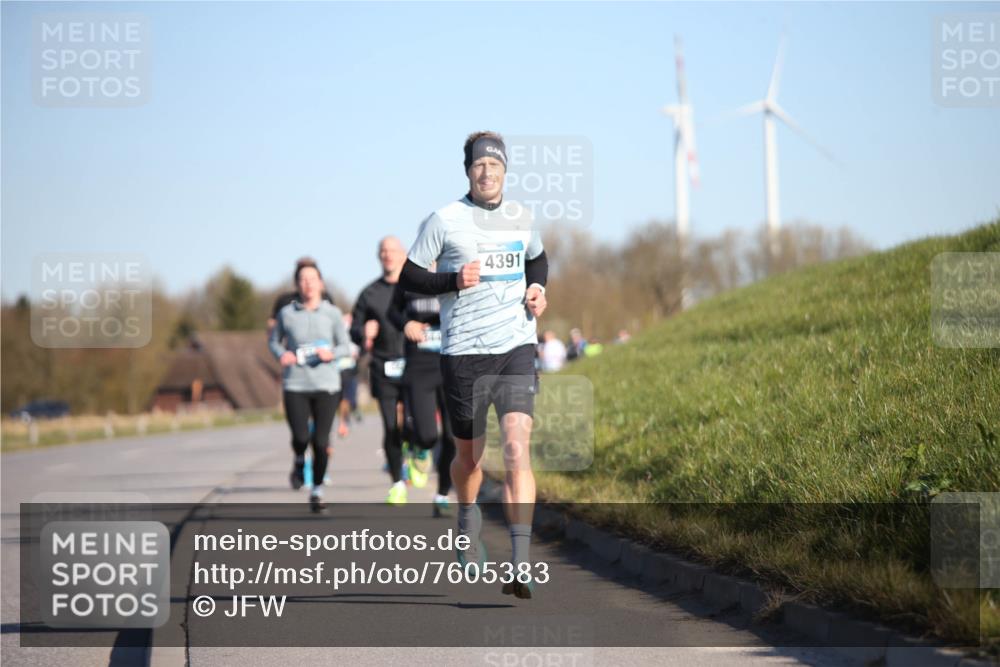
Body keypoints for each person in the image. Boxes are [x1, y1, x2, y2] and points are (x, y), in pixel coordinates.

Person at [398, 131, 548, 599]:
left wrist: (539, 290)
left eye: (495, 166)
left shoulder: (522, 217)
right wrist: (452, 279)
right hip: (463, 353)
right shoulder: (445, 221)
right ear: (468, 171)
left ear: (506, 170)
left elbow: (538, 260)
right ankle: (467, 517)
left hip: (516, 347)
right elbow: (409, 277)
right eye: (479, 166)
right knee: (469, 458)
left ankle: (520, 564)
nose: (487, 173)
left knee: (518, 449)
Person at [269, 259, 351, 513]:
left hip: (327, 384)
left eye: (312, 279)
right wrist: (282, 355)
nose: (308, 284)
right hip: (295, 383)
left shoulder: (332, 313)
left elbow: (346, 346)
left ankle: (317, 490)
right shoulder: (287, 313)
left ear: (320, 283)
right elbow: (274, 342)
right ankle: (297, 459)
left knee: (320, 440)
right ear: (297, 285)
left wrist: (332, 354)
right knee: (301, 437)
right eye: (303, 280)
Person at [388, 265, 456, 517]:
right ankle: (419, 448)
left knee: (452, 437)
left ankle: (442, 494)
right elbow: (393, 311)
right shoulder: (409, 280)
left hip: (451, 363)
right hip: (419, 367)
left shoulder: (456, 275)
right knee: (427, 435)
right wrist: (406, 323)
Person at [350, 237, 409, 505]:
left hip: (414, 366)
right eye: (383, 251)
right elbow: (354, 329)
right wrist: (363, 332)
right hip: (382, 367)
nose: (388, 255)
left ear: (403, 255)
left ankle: (417, 453)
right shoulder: (369, 293)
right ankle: (397, 482)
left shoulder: (415, 288)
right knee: (390, 426)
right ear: (379, 256)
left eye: (393, 251)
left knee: (413, 423)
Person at [336, 313, 362, 438]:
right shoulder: (337, 326)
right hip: (339, 368)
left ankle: (345, 420)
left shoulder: (353, 328)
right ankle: (344, 422)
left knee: (347, 398)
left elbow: (357, 347)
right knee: (344, 399)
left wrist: (357, 353)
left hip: (350, 367)